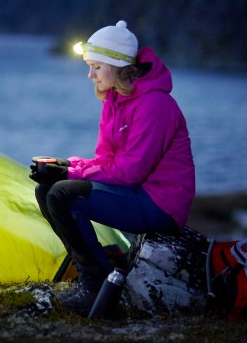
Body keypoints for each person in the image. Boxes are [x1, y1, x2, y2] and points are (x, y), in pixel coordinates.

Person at [30, 20, 195, 316]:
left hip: (161, 204)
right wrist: (65, 165)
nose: (90, 74)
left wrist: (69, 173)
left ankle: (97, 287)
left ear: (117, 66)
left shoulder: (155, 105)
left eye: (96, 66)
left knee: (63, 195)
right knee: (46, 190)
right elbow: (107, 161)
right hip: (136, 194)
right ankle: (90, 275)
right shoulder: (114, 99)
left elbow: (130, 172)